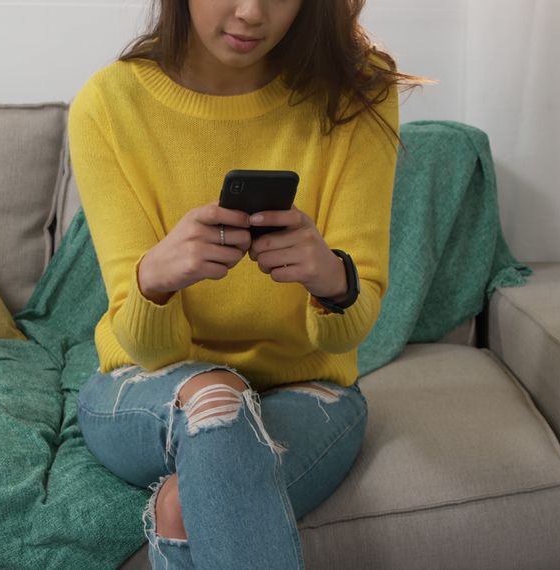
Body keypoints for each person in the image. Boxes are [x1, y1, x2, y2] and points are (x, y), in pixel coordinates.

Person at [70, 0, 420, 567]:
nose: (251, 12)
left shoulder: (359, 91)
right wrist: (156, 279)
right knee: (217, 399)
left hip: (308, 390)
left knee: (187, 503)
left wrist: (329, 277)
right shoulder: (109, 105)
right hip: (143, 386)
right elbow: (148, 350)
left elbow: (344, 338)